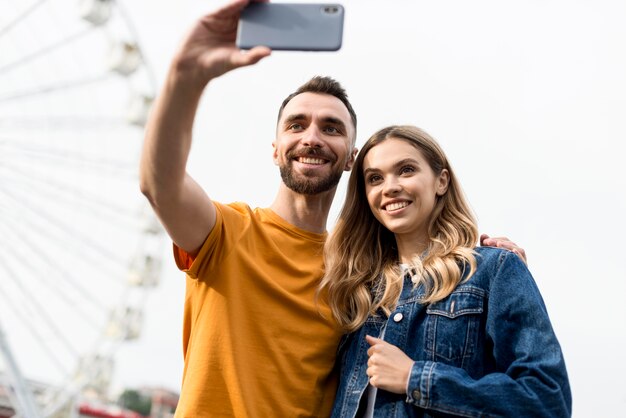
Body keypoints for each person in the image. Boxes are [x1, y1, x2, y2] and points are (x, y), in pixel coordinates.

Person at [139, 0, 527, 416]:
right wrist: (186, 75)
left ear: (350, 157)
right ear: (275, 150)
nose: (312, 137)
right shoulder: (227, 233)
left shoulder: (362, 277)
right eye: (296, 124)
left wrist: (493, 273)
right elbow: (159, 184)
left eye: (331, 128)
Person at [320, 125, 571, 417]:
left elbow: (547, 400)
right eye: (375, 178)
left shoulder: (493, 270)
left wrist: (415, 377)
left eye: (406, 170)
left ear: (441, 181)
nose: (389, 187)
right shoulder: (355, 291)